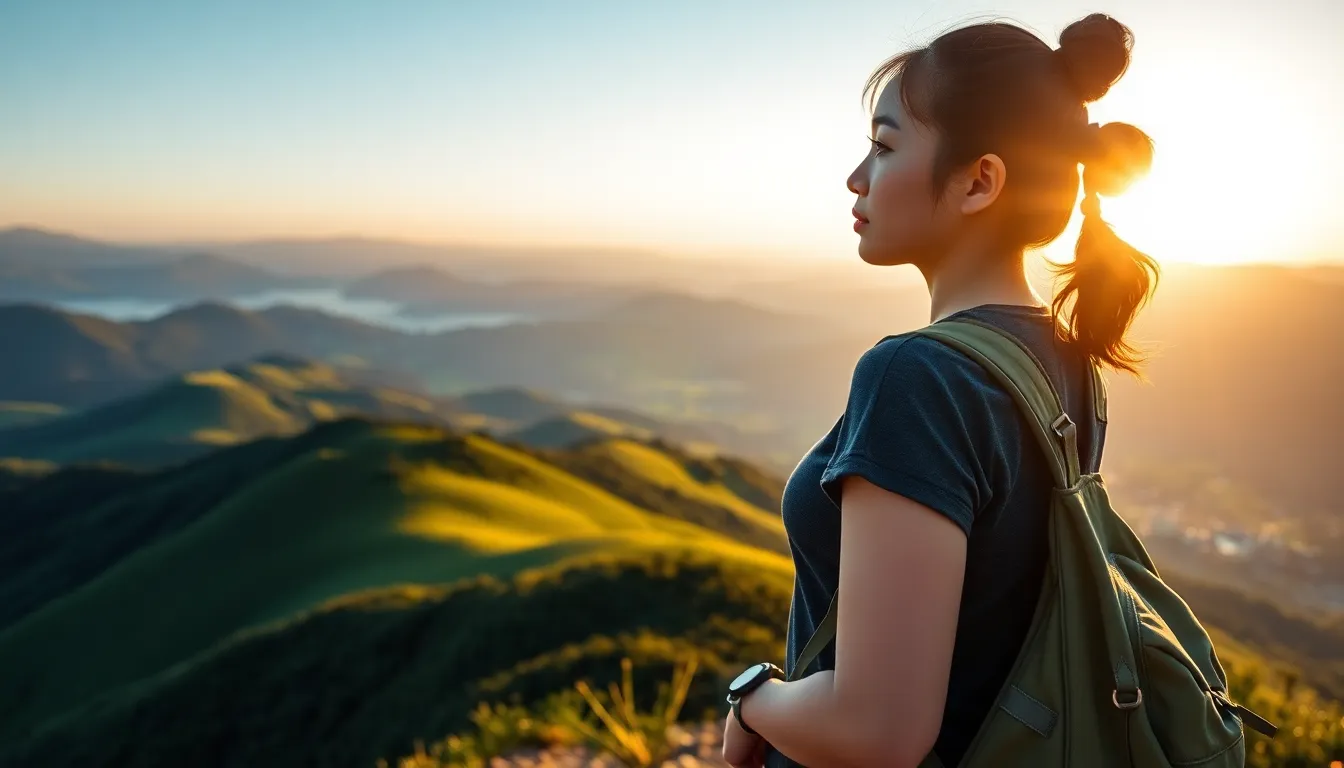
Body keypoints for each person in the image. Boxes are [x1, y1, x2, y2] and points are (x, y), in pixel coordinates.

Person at [722, 12, 1158, 768]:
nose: (856, 176)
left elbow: (877, 731)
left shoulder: (919, 377)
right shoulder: (1064, 357)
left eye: (885, 146)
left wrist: (754, 697)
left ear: (979, 181)